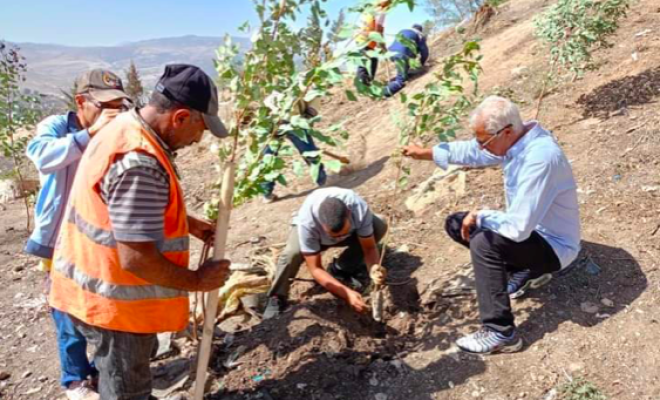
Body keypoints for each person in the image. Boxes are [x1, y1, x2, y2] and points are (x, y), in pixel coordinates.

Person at [48, 64, 232, 400]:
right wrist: (197, 281)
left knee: (121, 379)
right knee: (126, 390)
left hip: (94, 287)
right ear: (179, 117)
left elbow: (121, 210)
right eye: (200, 128)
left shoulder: (125, 126)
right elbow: (136, 259)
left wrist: (189, 224)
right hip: (115, 306)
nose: (198, 139)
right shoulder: (139, 160)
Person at [402, 96, 581, 354]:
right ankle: (527, 270)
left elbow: (518, 227)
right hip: (534, 237)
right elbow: (474, 152)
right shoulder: (517, 141)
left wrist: (481, 215)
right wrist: (427, 153)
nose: (480, 147)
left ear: (506, 131)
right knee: (456, 224)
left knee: (483, 242)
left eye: (483, 140)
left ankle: (501, 333)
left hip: (555, 247)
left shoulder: (540, 158)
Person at [25, 69, 131, 400]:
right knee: (67, 312)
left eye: (117, 106)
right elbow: (42, 156)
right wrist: (90, 135)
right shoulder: (57, 127)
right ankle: (75, 379)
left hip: (95, 239)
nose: (111, 113)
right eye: (103, 106)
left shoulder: (114, 132)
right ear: (81, 102)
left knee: (96, 307)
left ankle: (101, 371)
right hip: (59, 241)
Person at [263, 187, 388, 319]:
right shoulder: (308, 222)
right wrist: (346, 293)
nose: (339, 238)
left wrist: (374, 270)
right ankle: (277, 297)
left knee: (379, 225)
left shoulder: (358, 208)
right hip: (317, 239)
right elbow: (315, 268)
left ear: (349, 213)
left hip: (349, 232)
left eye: (343, 233)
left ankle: (342, 268)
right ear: (321, 224)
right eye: (334, 235)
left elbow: (369, 248)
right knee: (290, 255)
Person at [262, 99, 327, 203]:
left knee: (309, 152)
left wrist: (309, 113)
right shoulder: (262, 84)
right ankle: (266, 191)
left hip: (294, 120)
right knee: (268, 157)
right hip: (272, 124)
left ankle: (323, 182)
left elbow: (313, 93)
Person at [384, 24, 429, 97]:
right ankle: (384, 93)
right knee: (400, 81)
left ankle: (405, 73)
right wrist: (422, 63)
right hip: (402, 55)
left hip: (391, 53)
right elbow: (424, 52)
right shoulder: (419, 35)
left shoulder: (403, 31)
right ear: (420, 30)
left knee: (405, 65)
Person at [356, 0, 391, 85]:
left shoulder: (371, 8)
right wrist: (383, 46)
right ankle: (365, 84)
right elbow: (379, 29)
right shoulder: (381, 10)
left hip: (361, 38)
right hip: (366, 40)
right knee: (367, 62)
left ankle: (366, 82)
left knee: (370, 60)